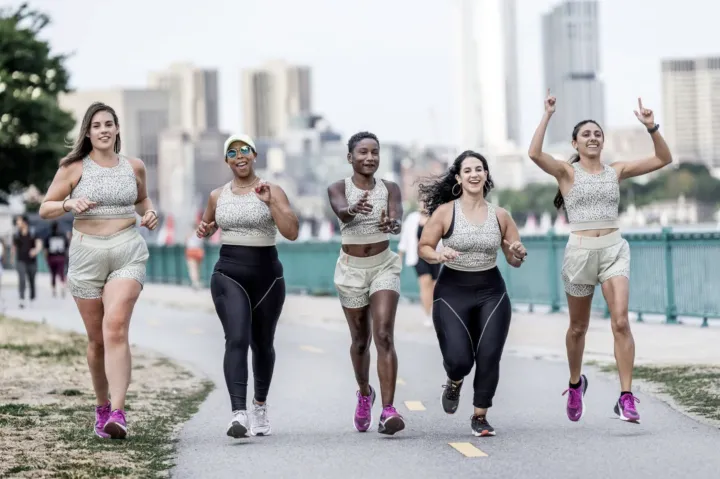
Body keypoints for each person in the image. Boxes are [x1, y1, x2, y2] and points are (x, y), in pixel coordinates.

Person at [528, 91, 673, 424]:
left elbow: (662, 159)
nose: (593, 138)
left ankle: (625, 397)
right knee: (578, 328)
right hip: (579, 254)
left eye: (597, 134)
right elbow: (534, 153)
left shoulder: (616, 170)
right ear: (576, 143)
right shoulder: (566, 172)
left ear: (602, 142)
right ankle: (576, 383)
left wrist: (652, 128)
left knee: (620, 321)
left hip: (613, 250)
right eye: (586, 135)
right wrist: (547, 115)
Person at [39, 101, 159, 439]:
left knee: (116, 327)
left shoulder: (134, 167)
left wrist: (150, 214)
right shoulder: (73, 168)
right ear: (88, 133)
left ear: (117, 129)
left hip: (127, 251)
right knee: (97, 342)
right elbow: (45, 207)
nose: (104, 130)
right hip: (86, 255)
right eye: (97, 125)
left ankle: (118, 413)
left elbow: (144, 201)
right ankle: (102, 405)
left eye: (109, 124)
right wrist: (68, 203)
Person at [417, 150, 527, 437]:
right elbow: (424, 248)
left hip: (491, 291)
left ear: (486, 175)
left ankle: (480, 414)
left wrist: (517, 253)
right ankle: (454, 381)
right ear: (459, 178)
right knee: (460, 360)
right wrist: (439, 254)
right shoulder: (445, 213)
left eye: (479, 169)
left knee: (489, 354)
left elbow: (514, 258)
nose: (474, 174)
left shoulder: (501, 215)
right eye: (468, 170)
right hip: (452, 291)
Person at [196, 133, 299, 439]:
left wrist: (271, 204)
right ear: (226, 160)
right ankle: (238, 413)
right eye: (232, 152)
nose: (239, 156)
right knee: (236, 338)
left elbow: (291, 231)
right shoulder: (217, 195)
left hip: (268, 276)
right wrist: (206, 227)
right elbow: (207, 225)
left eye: (244, 150)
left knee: (263, 344)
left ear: (254, 155)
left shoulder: (272, 189)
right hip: (229, 273)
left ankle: (260, 405)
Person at [327, 131, 406, 435]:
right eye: (362, 152)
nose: (369, 157)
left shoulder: (390, 188)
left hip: (384, 265)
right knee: (361, 341)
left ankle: (388, 411)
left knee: (384, 334)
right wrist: (353, 209)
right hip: (351, 270)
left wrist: (391, 223)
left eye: (374, 152)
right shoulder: (338, 187)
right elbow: (342, 213)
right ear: (350, 157)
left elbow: (396, 220)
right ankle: (364, 393)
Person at [397, 203, 441, 327]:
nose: (425, 204)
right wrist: (400, 256)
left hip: (435, 255)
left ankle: (433, 311)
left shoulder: (437, 216)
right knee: (425, 282)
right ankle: (428, 316)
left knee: (434, 286)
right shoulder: (412, 218)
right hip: (418, 257)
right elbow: (404, 238)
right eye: (423, 201)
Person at [12, 215, 42, 308]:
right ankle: (21, 299)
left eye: (19, 221)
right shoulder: (16, 234)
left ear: (24, 222)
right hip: (20, 260)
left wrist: (35, 250)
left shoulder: (33, 232)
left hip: (32, 261)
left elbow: (39, 244)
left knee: (31, 280)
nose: (17, 223)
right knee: (22, 279)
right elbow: (14, 247)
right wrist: (12, 258)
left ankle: (32, 299)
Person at [44, 221, 69, 298]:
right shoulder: (62, 235)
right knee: (61, 273)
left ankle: (54, 289)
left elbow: (46, 249)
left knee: (53, 274)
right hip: (61, 257)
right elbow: (66, 247)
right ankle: (62, 287)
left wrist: (46, 258)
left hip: (51, 257)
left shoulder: (48, 236)